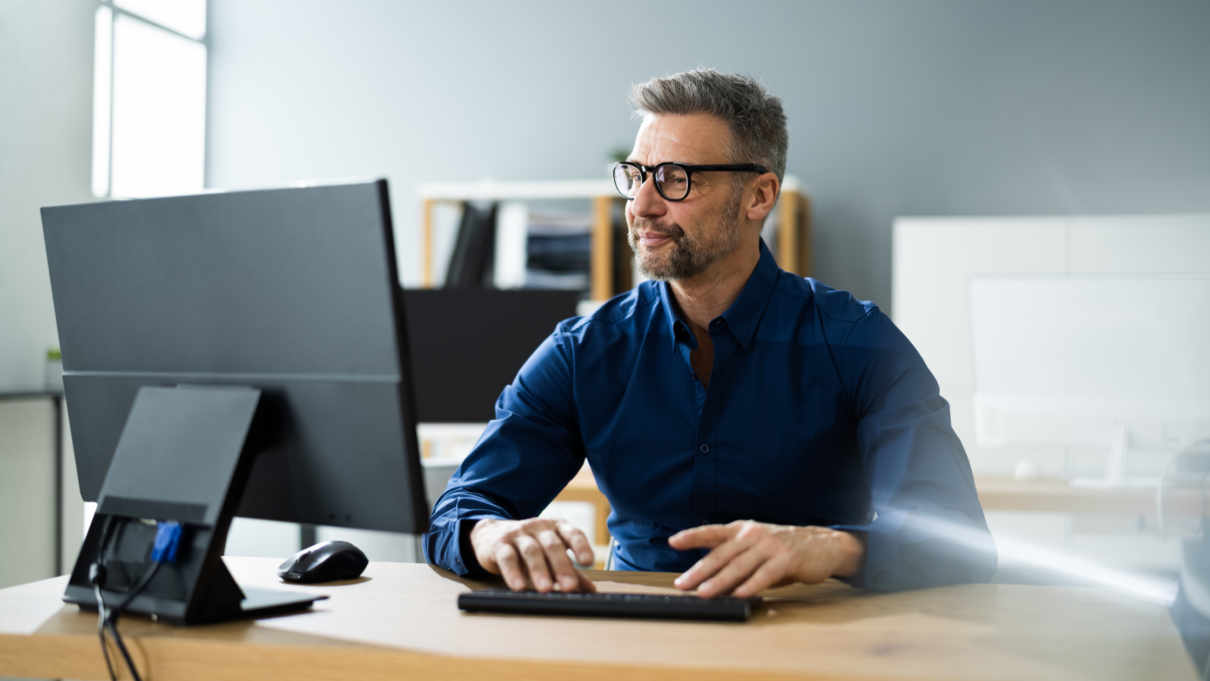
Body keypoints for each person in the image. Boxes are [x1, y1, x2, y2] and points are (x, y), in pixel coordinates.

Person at [424, 69, 996, 597]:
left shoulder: (859, 344)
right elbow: (459, 511)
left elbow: (958, 543)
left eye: (676, 179)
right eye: (637, 176)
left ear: (759, 195)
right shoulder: (583, 351)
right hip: (632, 643)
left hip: (807, 641)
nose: (642, 205)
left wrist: (833, 546)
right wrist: (490, 536)